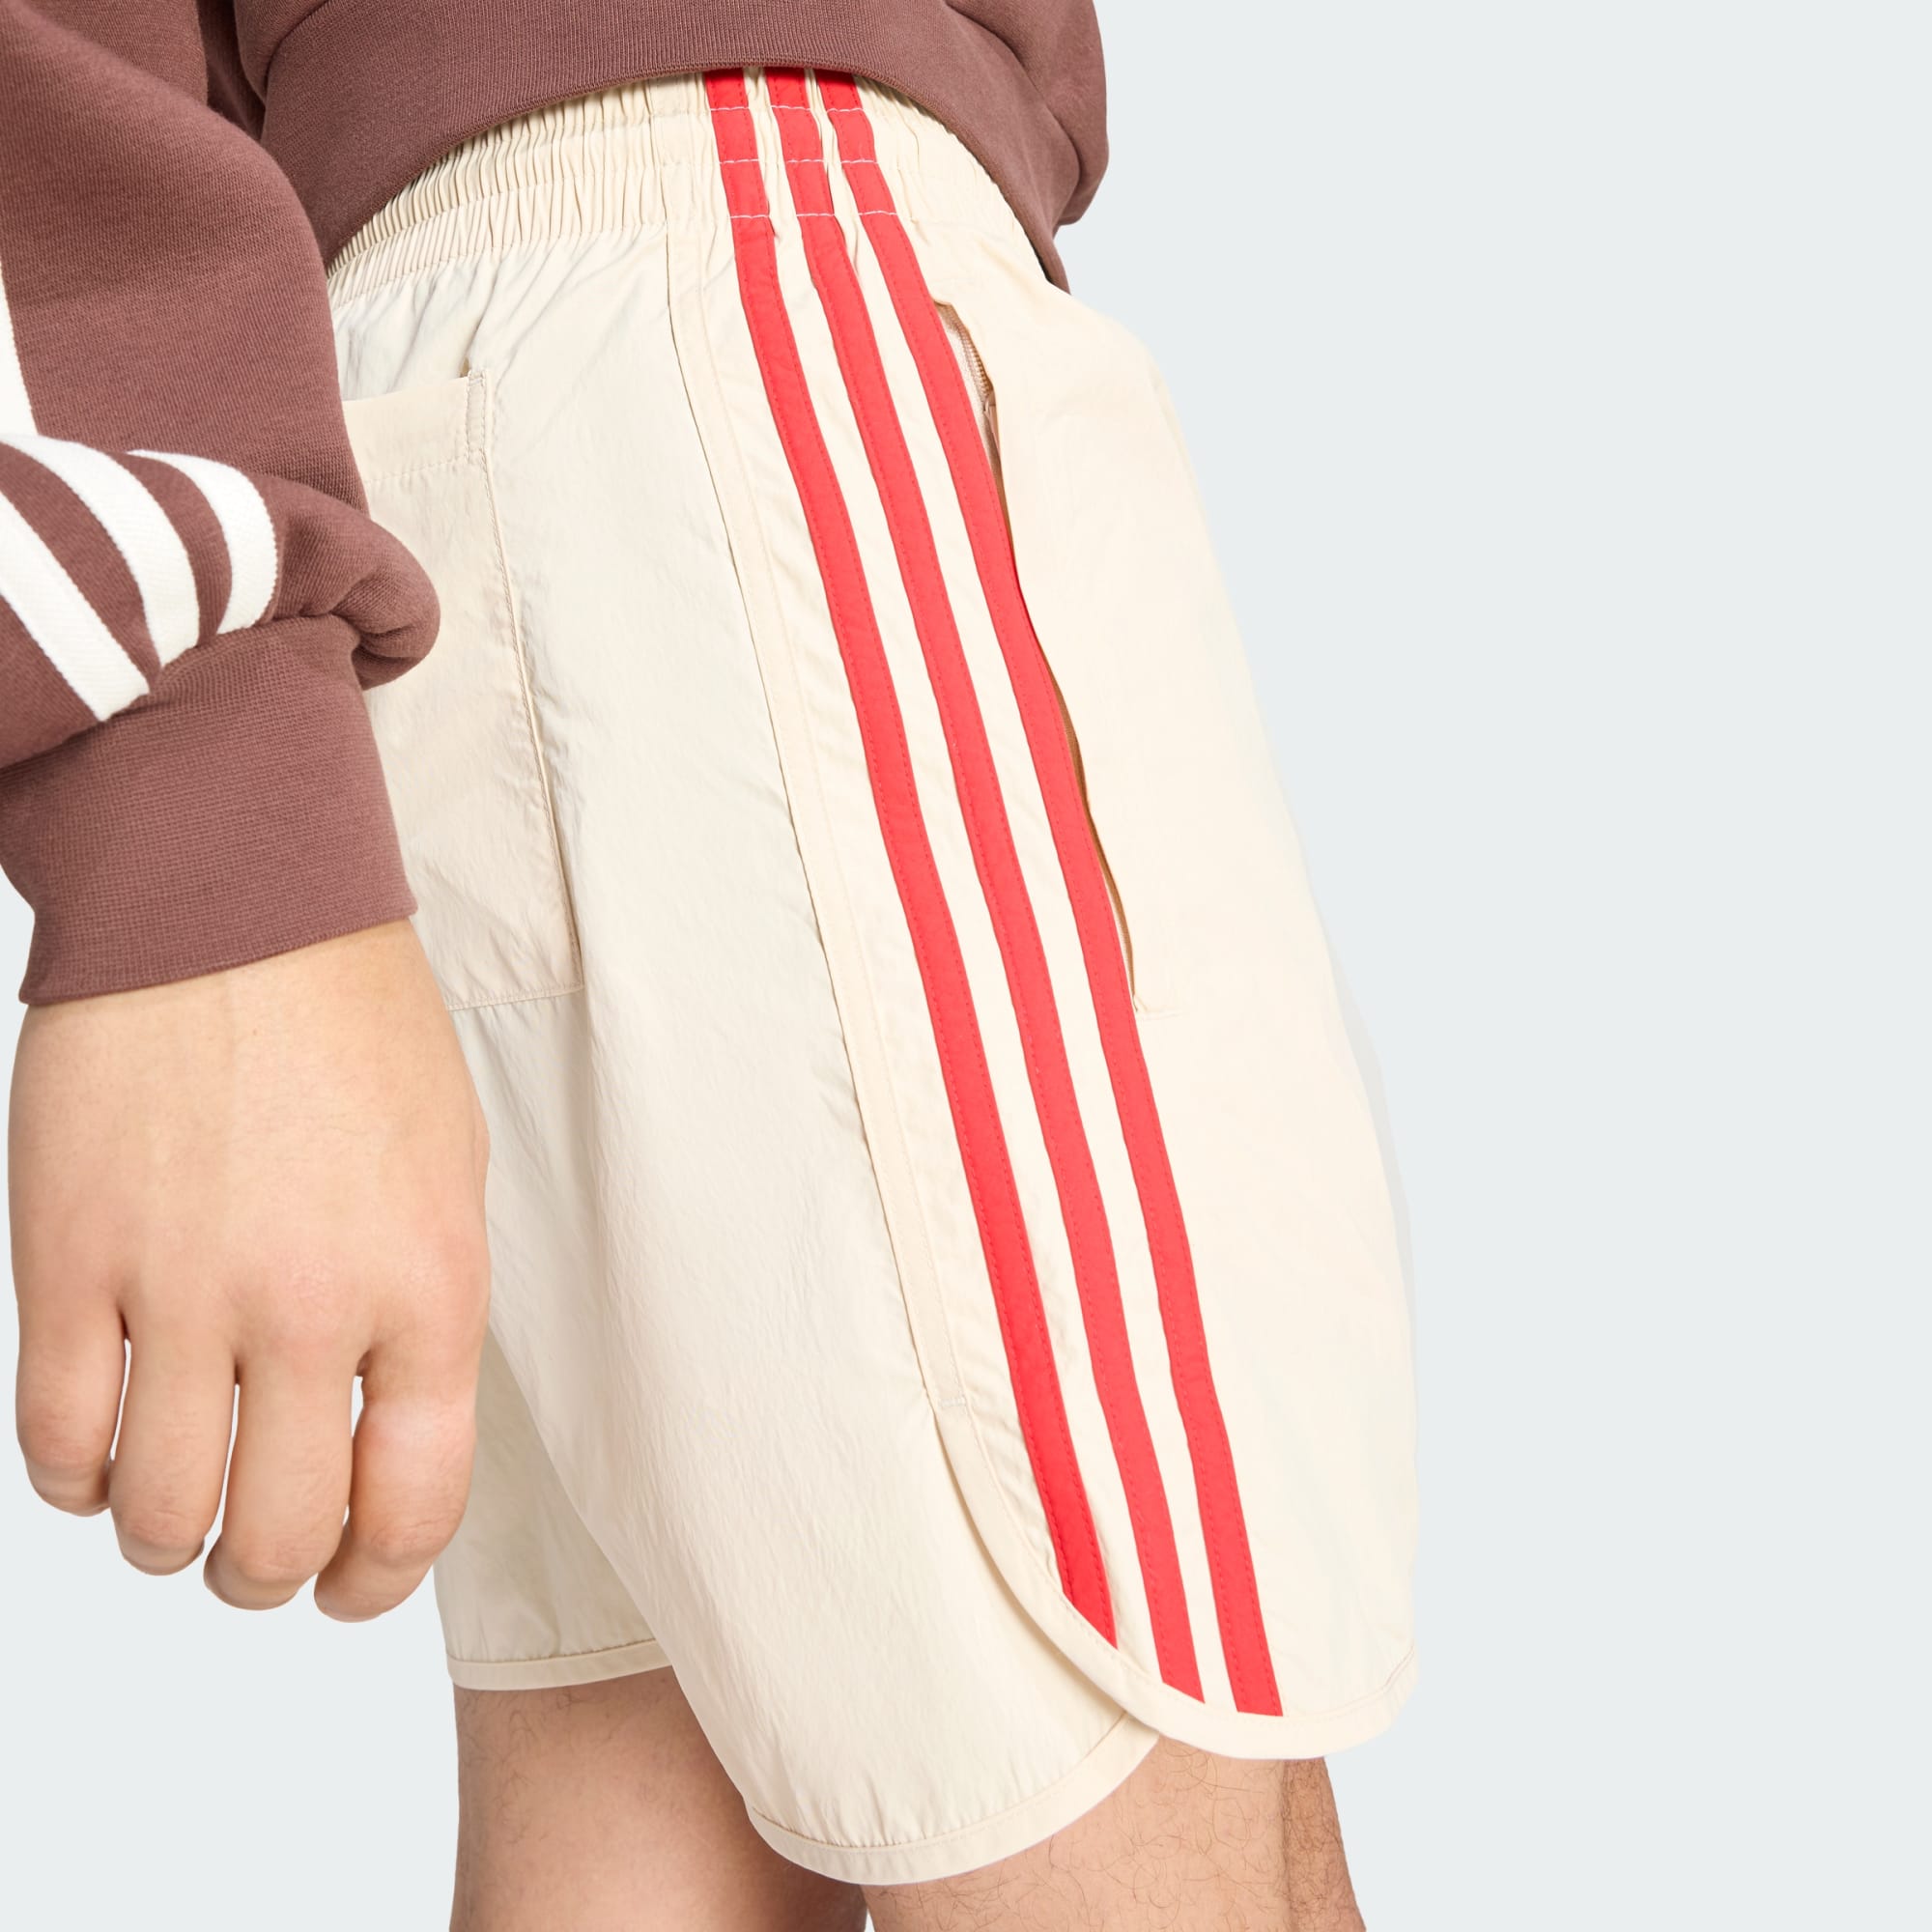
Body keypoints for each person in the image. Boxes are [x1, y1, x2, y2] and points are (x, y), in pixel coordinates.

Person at [0, 5, 1417, 1926]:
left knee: (648, 1836)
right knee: (1142, 1796)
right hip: (747, 305)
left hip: (583, 356)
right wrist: (201, 794)